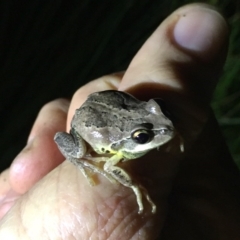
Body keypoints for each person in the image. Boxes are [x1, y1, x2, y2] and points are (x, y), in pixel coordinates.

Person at [0, 3, 240, 239]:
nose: (164, 127)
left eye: (159, 108)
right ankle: (88, 156)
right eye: (143, 137)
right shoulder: (118, 150)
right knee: (81, 151)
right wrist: (135, 186)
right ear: (133, 139)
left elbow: (156, 120)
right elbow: (110, 166)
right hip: (87, 127)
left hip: (108, 106)